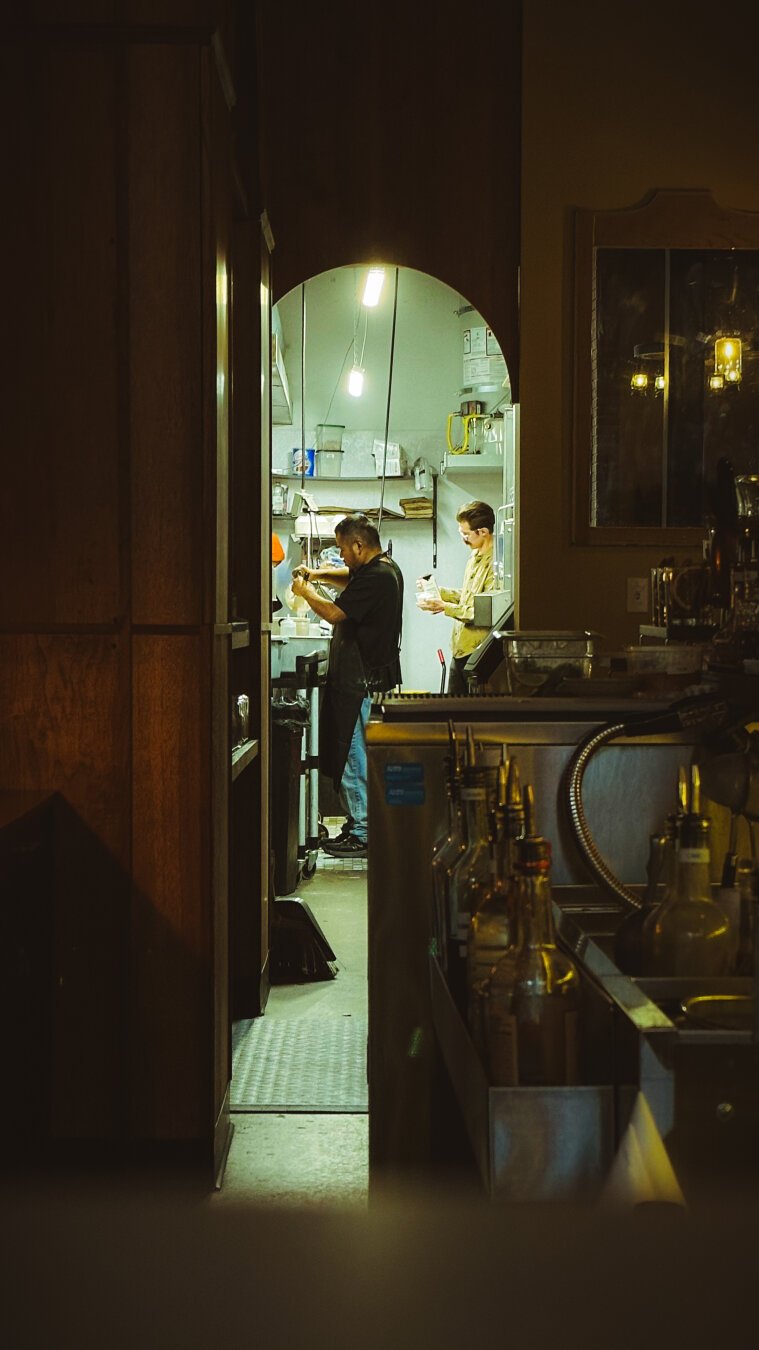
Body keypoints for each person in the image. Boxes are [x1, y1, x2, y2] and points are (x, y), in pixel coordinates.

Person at [291, 514, 403, 857]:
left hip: (361, 681)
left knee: (353, 757)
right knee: (356, 755)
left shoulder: (378, 578)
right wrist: (319, 573)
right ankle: (364, 826)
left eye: (342, 550)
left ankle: (362, 832)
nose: (340, 557)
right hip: (367, 677)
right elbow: (350, 578)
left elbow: (335, 614)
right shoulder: (383, 567)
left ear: (359, 545)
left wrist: (306, 591)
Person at [417, 499, 495, 695]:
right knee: (452, 707)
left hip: (477, 652)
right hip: (460, 648)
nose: (463, 539)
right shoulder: (474, 556)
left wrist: (444, 607)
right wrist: (437, 591)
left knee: (470, 715)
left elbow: (484, 612)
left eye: (466, 534)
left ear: (483, 532)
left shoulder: (495, 564)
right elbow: (468, 597)